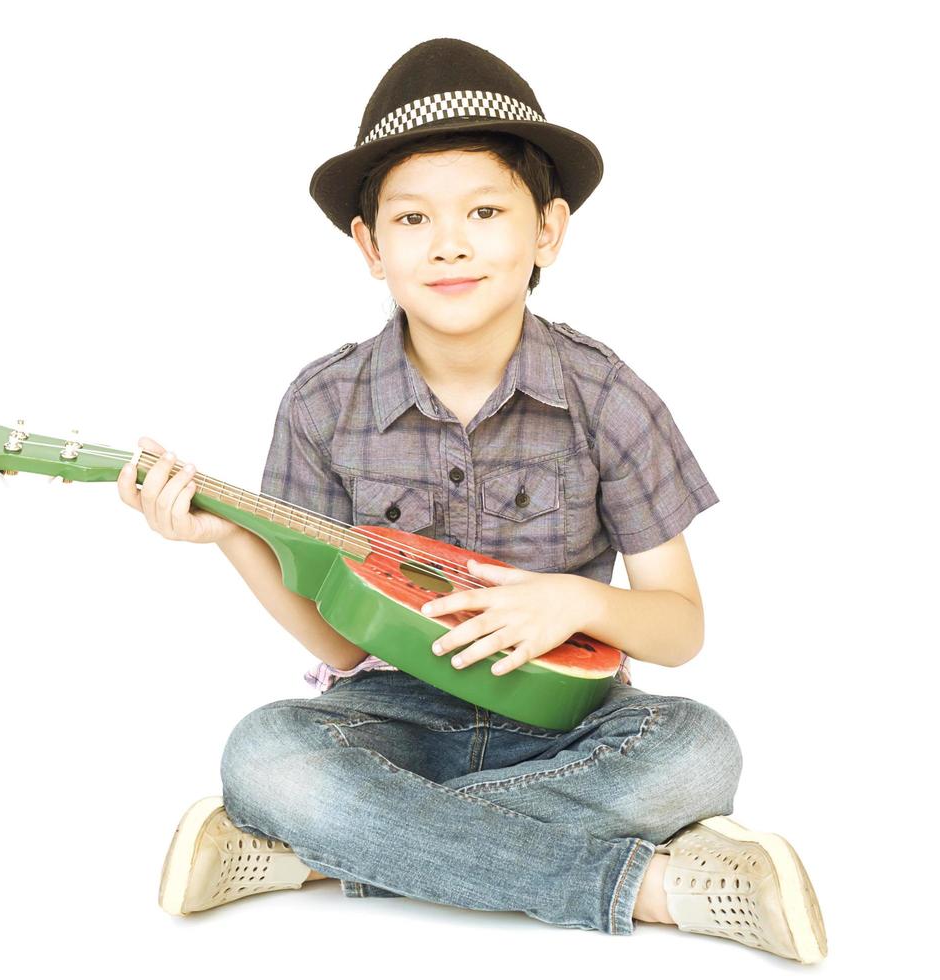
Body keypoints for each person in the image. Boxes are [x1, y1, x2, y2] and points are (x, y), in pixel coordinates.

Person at [117, 37, 827, 963]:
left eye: (484, 211)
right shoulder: (323, 403)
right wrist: (229, 538)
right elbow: (339, 642)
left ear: (547, 232)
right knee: (266, 757)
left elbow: (680, 628)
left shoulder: (607, 396)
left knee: (699, 751)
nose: (449, 243)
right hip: (394, 719)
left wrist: (573, 601)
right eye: (412, 220)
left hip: (570, 722)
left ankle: (316, 855)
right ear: (370, 247)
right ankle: (652, 886)